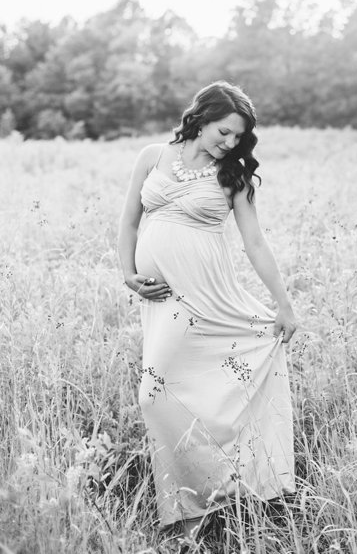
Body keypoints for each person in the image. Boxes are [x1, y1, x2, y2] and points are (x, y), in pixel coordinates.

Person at [117, 81, 298, 541]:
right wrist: (127, 273)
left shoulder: (232, 175)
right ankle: (194, 502)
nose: (230, 143)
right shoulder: (151, 156)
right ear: (200, 118)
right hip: (162, 301)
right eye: (224, 131)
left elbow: (254, 242)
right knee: (160, 395)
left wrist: (284, 304)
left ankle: (207, 499)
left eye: (238, 137)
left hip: (210, 300)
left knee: (165, 395)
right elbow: (129, 222)